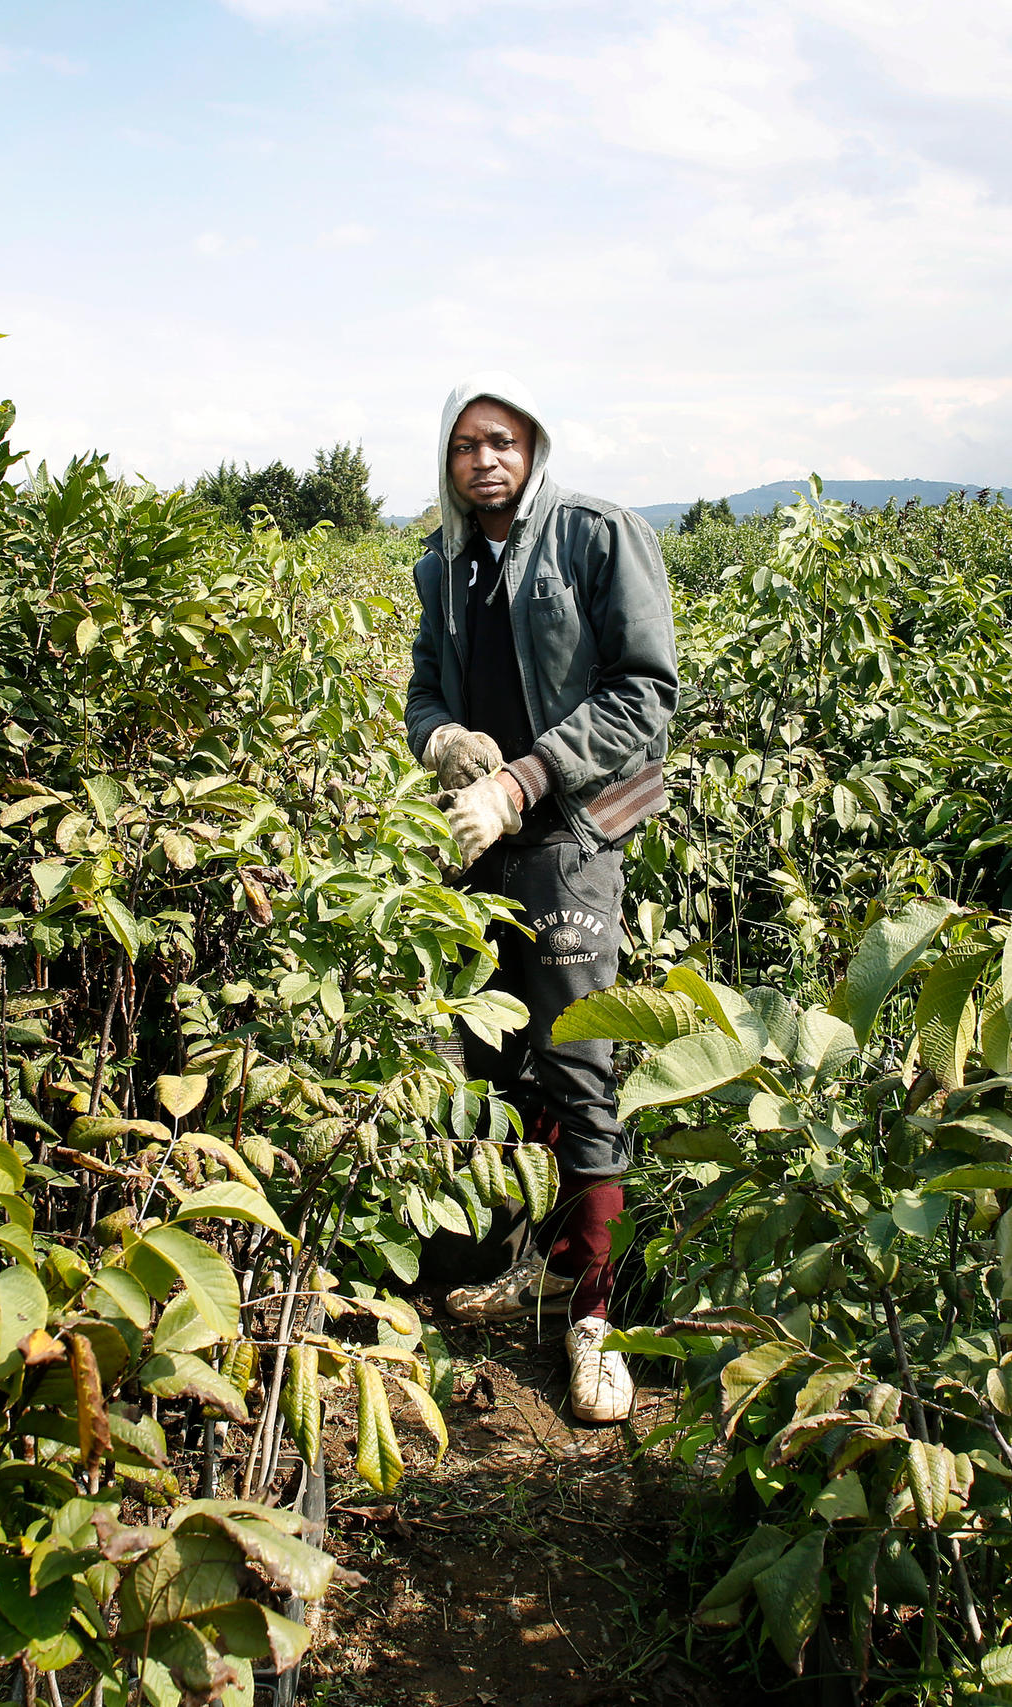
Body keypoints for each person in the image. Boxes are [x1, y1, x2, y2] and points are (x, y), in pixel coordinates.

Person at [403, 372, 679, 1424]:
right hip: (477, 845)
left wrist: (521, 778)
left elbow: (647, 693)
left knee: (578, 1062)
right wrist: (444, 739)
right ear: (449, 459)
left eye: (504, 440)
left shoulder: (597, 538)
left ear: (534, 446)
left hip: (572, 834)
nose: (486, 459)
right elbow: (427, 683)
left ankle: (596, 1324)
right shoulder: (443, 564)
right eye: (468, 444)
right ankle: (537, 1265)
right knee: (489, 1057)